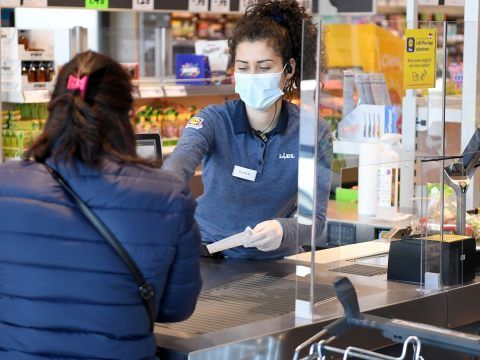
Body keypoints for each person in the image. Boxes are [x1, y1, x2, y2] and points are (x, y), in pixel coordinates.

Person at [0, 51, 202, 360]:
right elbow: (176, 308)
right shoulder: (168, 195)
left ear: (54, 110)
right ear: (127, 116)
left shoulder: (7, 184)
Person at [164, 0, 332, 260]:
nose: (252, 75)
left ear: (289, 69)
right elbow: (178, 166)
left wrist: (283, 229)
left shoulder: (312, 131)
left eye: (264, 67)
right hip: (207, 255)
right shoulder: (213, 121)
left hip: (279, 265)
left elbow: (316, 222)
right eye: (243, 67)